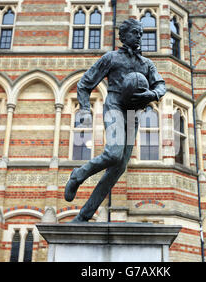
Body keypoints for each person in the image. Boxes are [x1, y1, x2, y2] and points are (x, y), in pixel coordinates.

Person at [64, 18, 166, 222]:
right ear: (123, 35)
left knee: (118, 168)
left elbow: (161, 85)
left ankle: (84, 216)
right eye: (135, 32)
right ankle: (78, 175)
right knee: (113, 153)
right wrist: (84, 110)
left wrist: (152, 95)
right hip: (114, 106)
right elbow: (84, 84)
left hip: (133, 113)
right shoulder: (111, 58)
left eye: (140, 33)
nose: (139, 36)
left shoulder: (146, 63)